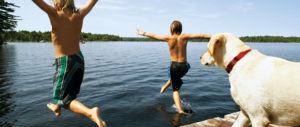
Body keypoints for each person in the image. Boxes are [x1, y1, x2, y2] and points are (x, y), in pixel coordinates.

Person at [32, 0, 106, 126]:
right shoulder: (80, 14)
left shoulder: (55, 14)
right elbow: (93, 1)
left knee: (64, 99)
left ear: (57, 3)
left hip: (66, 62)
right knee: (66, 90)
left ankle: (90, 112)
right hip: (79, 60)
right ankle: (57, 107)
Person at [137, 20, 211, 114]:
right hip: (184, 67)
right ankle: (167, 84)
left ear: (171, 30)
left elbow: (154, 36)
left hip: (174, 67)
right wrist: (215, 37)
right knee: (186, 67)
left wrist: (142, 33)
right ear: (181, 30)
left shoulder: (169, 38)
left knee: (175, 90)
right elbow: (201, 36)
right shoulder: (185, 37)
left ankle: (180, 110)